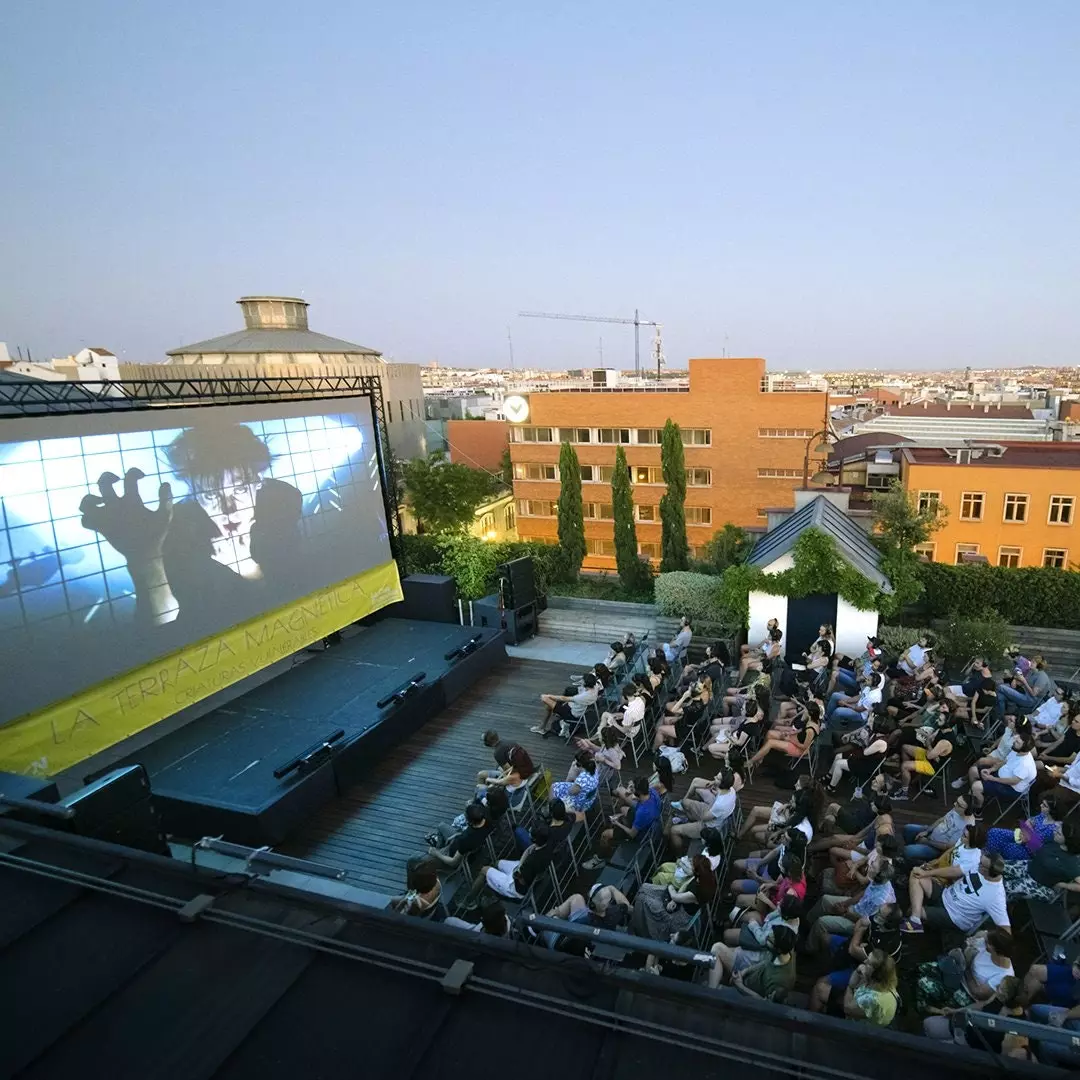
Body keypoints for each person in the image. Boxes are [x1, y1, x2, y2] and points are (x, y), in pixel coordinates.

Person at [901, 852, 1010, 934]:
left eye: (981, 864)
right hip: (945, 894)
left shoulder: (996, 896)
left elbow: (1005, 929)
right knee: (916, 873)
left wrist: (985, 937)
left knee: (910, 909)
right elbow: (954, 871)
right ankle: (915, 920)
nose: (978, 864)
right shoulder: (979, 866)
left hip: (953, 916)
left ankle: (916, 917)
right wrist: (927, 873)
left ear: (987, 870)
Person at [916, 928, 1015, 1015]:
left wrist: (966, 968)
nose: (984, 942)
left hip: (967, 992)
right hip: (957, 971)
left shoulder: (1003, 975)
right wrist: (978, 937)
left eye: (987, 942)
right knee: (922, 968)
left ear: (994, 948)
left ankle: (924, 1009)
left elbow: (978, 993)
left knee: (924, 982)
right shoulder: (987, 947)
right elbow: (977, 937)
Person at [710, 894, 803, 987]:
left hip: (755, 954)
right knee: (726, 944)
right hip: (760, 940)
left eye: (780, 905)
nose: (778, 903)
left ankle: (712, 989)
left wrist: (754, 925)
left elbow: (763, 940)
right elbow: (769, 920)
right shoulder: (791, 917)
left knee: (718, 947)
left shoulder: (781, 931)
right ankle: (724, 974)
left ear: (786, 915)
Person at [631, 854, 716, 942]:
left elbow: (675, 896)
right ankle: (639, 915)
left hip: (679, 917)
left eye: (692, 864)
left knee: (643, 898)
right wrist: (674, 900)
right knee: (644, 887)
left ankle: (641, 929)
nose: (690, 865)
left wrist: (671, 888)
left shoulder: (695, 893)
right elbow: (684, 886)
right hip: (679, 900)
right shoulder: (701, 877)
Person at [584, 776, 661, 869]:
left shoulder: (642, 813)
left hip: (640, 833)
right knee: (623, 809)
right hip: (649, 820)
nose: (630, 788)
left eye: (632, 787)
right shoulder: (653, 793)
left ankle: (600, 859)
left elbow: (632, 834)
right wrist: (631, 793)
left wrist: (617, 823)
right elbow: (639, 800)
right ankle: (617, 824)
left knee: (605, 835)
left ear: (639, 792)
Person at [1003, 817, 1080, 902]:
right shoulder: (1054, 841)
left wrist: (1064, 885)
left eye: (1058, 833)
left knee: (1005, 887)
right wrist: (1028, 836)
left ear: (1067, 840)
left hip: (1040, 885)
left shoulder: (1071, 862)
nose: (1055, 831)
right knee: (994, 866)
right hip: (1029, 867)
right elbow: (1038, 847)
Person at [471, 822, 553, 901]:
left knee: (484, 870)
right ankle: (491, 882)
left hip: (516, 887)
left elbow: (521, 880)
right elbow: (529, 851)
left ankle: (469, 900)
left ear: (534, 839)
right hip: (521, 868)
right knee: (498, 863)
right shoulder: (547, 845)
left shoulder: (531, 862)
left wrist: (516, 873)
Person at [890, 704, 957, 800]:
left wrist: (930, 748)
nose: (937, 720)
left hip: (933, 765)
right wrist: (931, 748)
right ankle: (908, 776)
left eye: (940, 720)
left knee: (905, 765)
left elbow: (929, 756)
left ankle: (903, 793)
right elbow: (928, 740)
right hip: (930, 755)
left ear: (947, 723)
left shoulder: (945, 742)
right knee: (904, 747)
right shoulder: (941, 730)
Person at [969, 733, 1037, 818]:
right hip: (1000, 775)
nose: (1014, 742)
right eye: (1016, 740)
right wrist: (991, 770)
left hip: (1011, 788)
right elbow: (1004, 761)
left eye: (1017, 742)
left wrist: (992, 778)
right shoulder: (1016, 750)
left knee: (976, 787)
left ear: (1024, 749)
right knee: (973, 771)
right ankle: (976, 797)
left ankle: (978, 811)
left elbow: (1013, 782)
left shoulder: (1025, 765)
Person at [669, 768, 738, 852]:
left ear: (722, 783)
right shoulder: (731, 790)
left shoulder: (720, 804)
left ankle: (677, 854)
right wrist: (715, 791)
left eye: (717, 778)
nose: (714, 777)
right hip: (717, 814)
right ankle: (687, 815)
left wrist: (695, 810)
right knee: (686, 802)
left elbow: (704, 818)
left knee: (674, 830)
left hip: (709, 827)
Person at [729, 925, 797, 1003]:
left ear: (778, 950)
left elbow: (763, 1000)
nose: (766, 937)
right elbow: (765, 963)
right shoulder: (786, 950)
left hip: (745, 995)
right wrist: (744, 972)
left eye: (770, 940)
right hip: (748, 977)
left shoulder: (779, 982)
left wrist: (740, 985)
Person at [984, 794, 1063, 861]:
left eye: (1045, 805)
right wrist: (1028, 831)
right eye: (1042, 803)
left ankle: (992, 860)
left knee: (1004, 846)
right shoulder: (1044, 815)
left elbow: (1036, 844)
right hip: (1023, 837)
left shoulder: (1053, 828)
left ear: (1052, 810)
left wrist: (1028, 833)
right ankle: (989, 855)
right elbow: (1030, 820)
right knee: (994, 832)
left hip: (1030, 851)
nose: (1041, 805)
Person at [901, 794, 976, 862]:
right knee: (907, 828)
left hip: (938, 849)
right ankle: (911, 854)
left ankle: (913, 859)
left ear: (967, 811)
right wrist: (927, 831)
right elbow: (942, 819)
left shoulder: (967, 827)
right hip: (931, 834)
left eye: (958, 804)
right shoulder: (957, 810)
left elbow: (948, 846)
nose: (954, 804)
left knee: (907, 851)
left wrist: (927, 841)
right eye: (956, 801)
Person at [748, 701, 820, 766]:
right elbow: (802, 730)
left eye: (805, 710)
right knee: (769, 733)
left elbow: (804, 747)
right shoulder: (812, 721)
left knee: (770, 743)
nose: (804, 711)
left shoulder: (811, 730)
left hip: (798, 748)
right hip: (794, 738)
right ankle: (760, 757)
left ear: (810, 713)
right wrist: (791, 733)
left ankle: (751, 761)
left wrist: (790, 739)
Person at [426, 801, 491, 870]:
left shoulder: (465, 840)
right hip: (457, 841)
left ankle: (439, 850)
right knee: (441, 826)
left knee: (420, 859)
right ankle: (439, 847)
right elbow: (469, 832)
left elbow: (453, 862)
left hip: (452, 855)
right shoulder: (486, 821)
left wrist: (436, 854)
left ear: (470, 821)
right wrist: (456, 835)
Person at [534, 672, 599, 738]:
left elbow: (564, 698)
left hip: (571, 713)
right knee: (550, 705)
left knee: (546, 700)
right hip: (579, 708)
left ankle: (541, 727)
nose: (581, 681)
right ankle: (542, 727)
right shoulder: (595, 687)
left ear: (585, 683)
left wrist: (547, 696)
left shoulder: (583, 697)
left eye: (582, 680)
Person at [550, 751, 600, 817]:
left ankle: (552, 810)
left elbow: (571, 792)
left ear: (581, 765)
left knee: (553, 787)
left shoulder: (582, 778)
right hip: (588, 798)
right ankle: (552, 809)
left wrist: (573, 777)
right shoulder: (594, 768)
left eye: (577, 763)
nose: (574, 764)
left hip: (580, 804)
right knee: (557, 785)